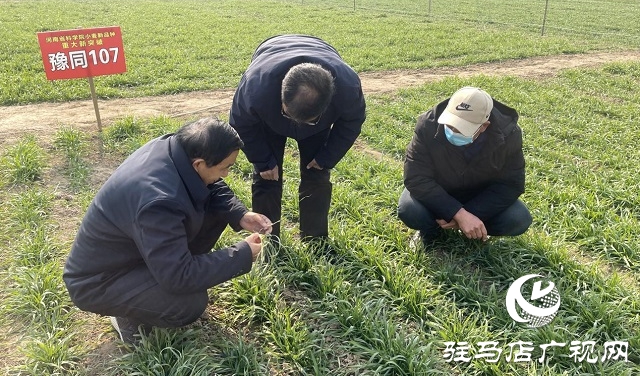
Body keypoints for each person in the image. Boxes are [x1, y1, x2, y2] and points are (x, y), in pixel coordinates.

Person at [63, 118, 272, 345]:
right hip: (99, 281)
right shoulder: (158, 202)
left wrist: (239, 214)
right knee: (189, 303)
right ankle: (126, 315)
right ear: (199, 164)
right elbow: (179, 277)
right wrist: (242, 254)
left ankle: (155, 281)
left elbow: (210, 185)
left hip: (133, 250)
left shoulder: (175, 148)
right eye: (225, 168)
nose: (227, 175)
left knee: (216, 211)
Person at [229, 34, 366, 243]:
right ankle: (267, 240)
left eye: (309, 120)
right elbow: (241, 123)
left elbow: (351, 123)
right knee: (267, 176)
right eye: (288, 115)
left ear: (327, 106)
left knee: (317, 174)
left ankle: (315, 239)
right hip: (269, 106)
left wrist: (326, 158)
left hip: (318, 117)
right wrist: (262, 160)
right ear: (281, 96)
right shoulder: (256, 87)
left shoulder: (347, 88)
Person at [398, 86, 531, 248]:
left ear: (484, 126)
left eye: (462, 129)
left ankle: (475, 230)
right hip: (439, 190)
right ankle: (430, 230)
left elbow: (511, 184)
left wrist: (472, 213)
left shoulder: (508, 134)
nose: (452, 131)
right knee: (410, 210)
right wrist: (457, 214)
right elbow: (416, 177)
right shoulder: (428, 125)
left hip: (479, 195)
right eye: (450, 124)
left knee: (518, 218)